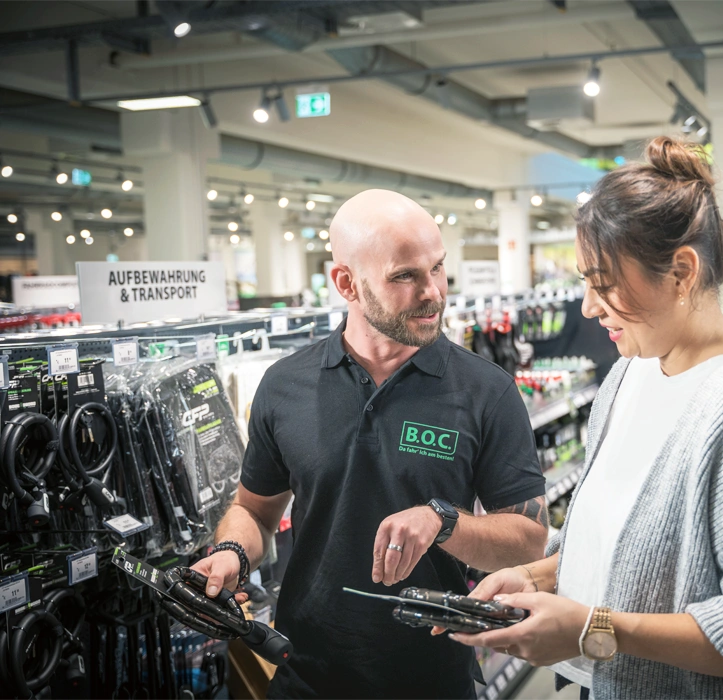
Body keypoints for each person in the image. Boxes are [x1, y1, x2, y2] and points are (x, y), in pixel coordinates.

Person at [450, 137, 723, 700]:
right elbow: (617, 551)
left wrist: (595, 630)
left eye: (602, 281)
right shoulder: (627, 378)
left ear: (681, 272)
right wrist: (538, 578)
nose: (589, 307)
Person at [192, 189, 549, 699]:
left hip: (433, 678)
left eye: (438, 268)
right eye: (405, 275)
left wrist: (442, 520)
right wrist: (231, 552)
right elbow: (254, 510)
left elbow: (529, 539)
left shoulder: (487, 391)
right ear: (346, 283)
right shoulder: (283, 386)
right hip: (304, 675)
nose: (433, 292)